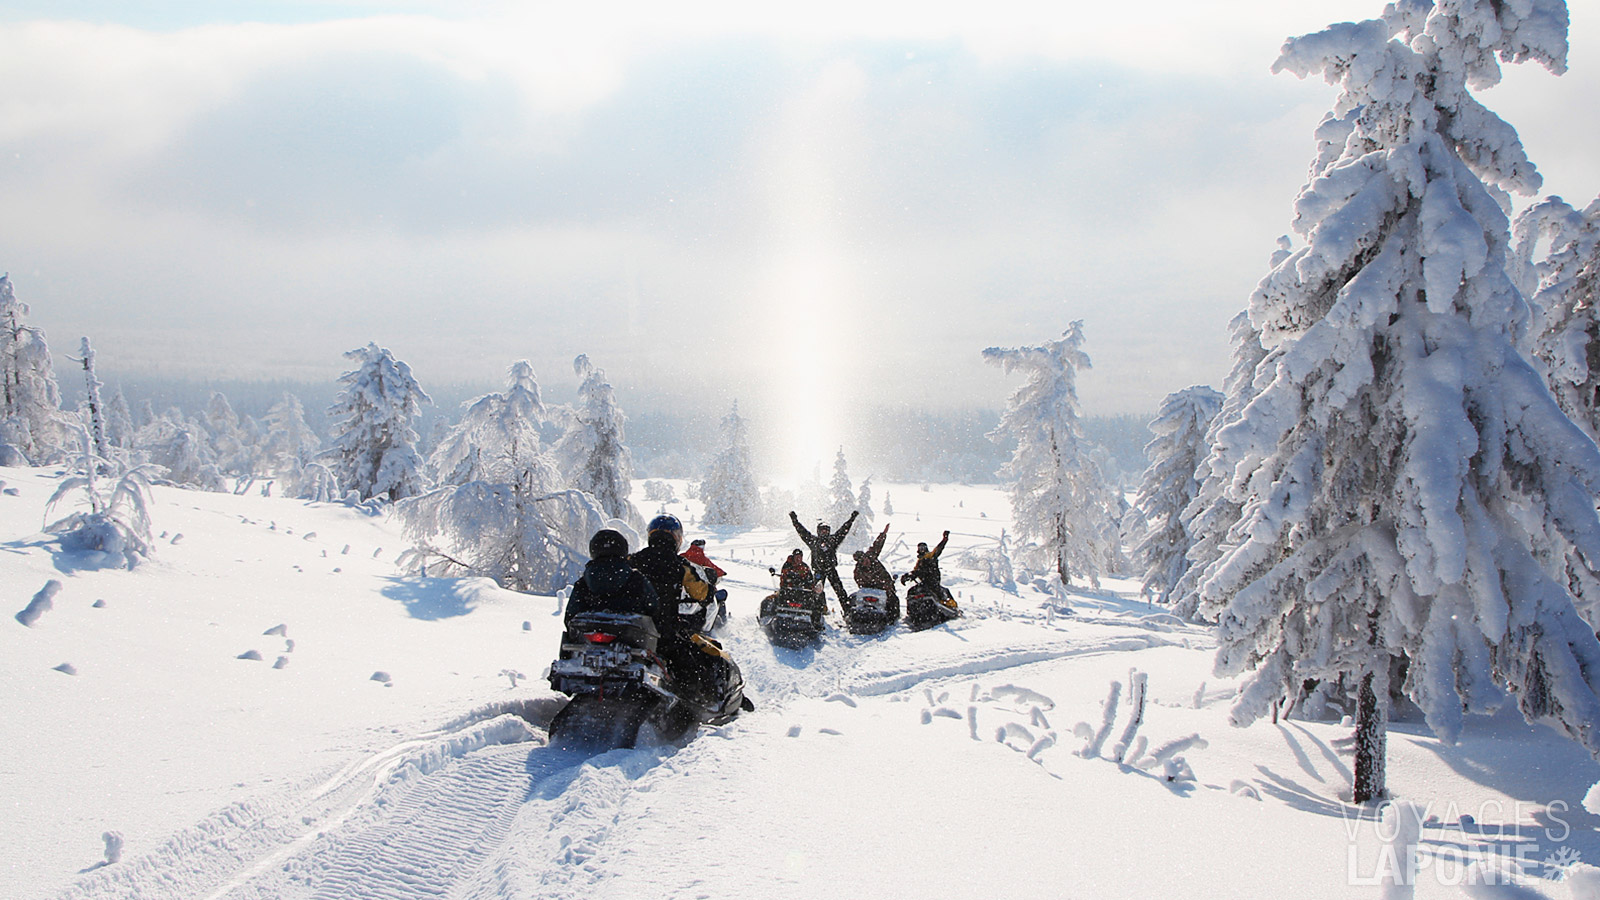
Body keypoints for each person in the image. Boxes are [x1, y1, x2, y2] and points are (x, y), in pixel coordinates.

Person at [629, 515, 747, 711]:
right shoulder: (679, 565)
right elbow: (702, 593)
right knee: (693, 665)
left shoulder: (634, 559)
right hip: (663, 630)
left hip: (634, 629)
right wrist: (710, 591)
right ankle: (691, 706)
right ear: (676, 538)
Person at [565, 529, 664, 628]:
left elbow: (570, 615)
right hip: (630, 634)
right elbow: (654, 608)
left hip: (589, 632)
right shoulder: (637, 579)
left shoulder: (583, 582)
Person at [789, 509, 858, 608]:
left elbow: (843, 531)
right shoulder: (813, 541)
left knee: (840, 591)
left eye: (826, 530)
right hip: (818, 572)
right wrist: (795, 521)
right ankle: (817, 611)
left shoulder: (833, 541)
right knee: (815, 593)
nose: (824, 532)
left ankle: (847, 610)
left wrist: (851, 519)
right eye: (822, 530)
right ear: (818, 531)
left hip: (831, 570)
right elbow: (802, 531)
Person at [851, 522, 899, 618]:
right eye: (862, 561)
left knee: (893, 601)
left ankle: (892, 618)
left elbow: (877, 544)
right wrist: (869, 586)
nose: (865, 562)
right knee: (853, 599)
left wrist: (884, 533)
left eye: (865, 559)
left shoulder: (871, 555)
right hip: (873, 590)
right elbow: (858, 581)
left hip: (883, 588)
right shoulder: (858, 570)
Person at [901, 530, 951, 598]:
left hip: (933, 581)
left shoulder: (930, 556)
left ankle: (943, 601)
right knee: (912, 592)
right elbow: (916, 571)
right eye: (920, 548)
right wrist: (908, 576)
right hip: (924, 583)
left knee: (937, 592)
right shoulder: (919, 561)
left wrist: (944, 540)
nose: (922, 550)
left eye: (923, 547)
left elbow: (938, 549)